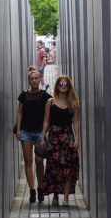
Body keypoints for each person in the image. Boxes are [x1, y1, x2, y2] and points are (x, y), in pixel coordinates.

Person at [40, 73, 80, 207]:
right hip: (54, 137)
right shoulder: (50, 102)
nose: (63, 86)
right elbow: (46, 121)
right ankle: (56, 195)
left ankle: (66, 199)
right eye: (61, 84)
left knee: (68, 168)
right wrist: (42, 136)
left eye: (66, 84)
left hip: (67, 137)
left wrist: (77, 139)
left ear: (69, 87)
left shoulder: (73, 103)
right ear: (57, 86)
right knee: (54, 168)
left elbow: (75, 122)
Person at [15, 66, 52, 204]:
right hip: (26, 131)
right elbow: (19, 112)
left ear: (39, 80)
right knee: (28, 161)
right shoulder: (23, 96)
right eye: (31, 79)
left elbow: (49, 116)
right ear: (28, 81)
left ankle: (41, 188)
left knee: (39, 161)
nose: (34, 81)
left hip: (39, 133)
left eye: (36, 78)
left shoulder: (46, 96)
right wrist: (18, 129)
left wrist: (45, 133)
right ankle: (32, 191)